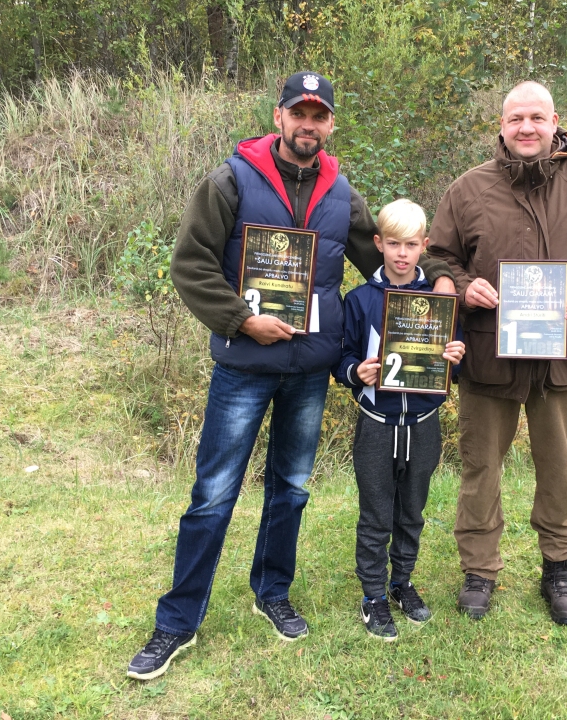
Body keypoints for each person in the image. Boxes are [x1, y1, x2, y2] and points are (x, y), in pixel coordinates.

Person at [127, 72, 455, 681]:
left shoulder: (340, 193)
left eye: (320, 115)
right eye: (299, 113)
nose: (309, 124)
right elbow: (190, 263)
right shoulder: (230, 180)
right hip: (244, 367)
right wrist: (239, 322)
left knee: (292, 488)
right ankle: (176, 623)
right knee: (214, 495)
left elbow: (384, 253)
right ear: (278, 117)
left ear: (330, 125)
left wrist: (441, 284)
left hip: (308, 370)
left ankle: (271, 591)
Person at [427, 81, 567, 626]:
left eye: (536, 117)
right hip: (487, 359)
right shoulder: (468, 190)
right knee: (481, 468)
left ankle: (558, 568)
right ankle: (479, 570)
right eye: (515, 118)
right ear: (501, 126)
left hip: (564, 360)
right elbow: (436, 258)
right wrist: (462, 285)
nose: (526, 127)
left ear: (555, 123)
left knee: (561, 470)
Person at [332, 199, 465, 642]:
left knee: (412, 512)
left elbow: (455, 365)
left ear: (424, 246)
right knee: (375, 515)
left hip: (424, 423)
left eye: (411, 245)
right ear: (379, 244)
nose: (402, 253)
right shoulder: (360, 300)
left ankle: (401, 583)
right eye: (393, 244)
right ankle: (372, 596)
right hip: (376, 423)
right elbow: (342, 360)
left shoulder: (440, 302)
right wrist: (357, 372)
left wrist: (454, 359)